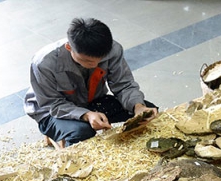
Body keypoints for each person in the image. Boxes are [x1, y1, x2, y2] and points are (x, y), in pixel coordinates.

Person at [24, 17, 159, 147]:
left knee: (147, 111)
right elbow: (53, 104)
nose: (95, 65)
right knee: (81, 132)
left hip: (91, 100)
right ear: (69, 48)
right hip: (51, 111)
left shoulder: (113, 49)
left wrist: (138, 107)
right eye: (88, 61)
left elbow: (123, 84)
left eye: (100, 60)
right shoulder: (44, 63)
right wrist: (86, 115)